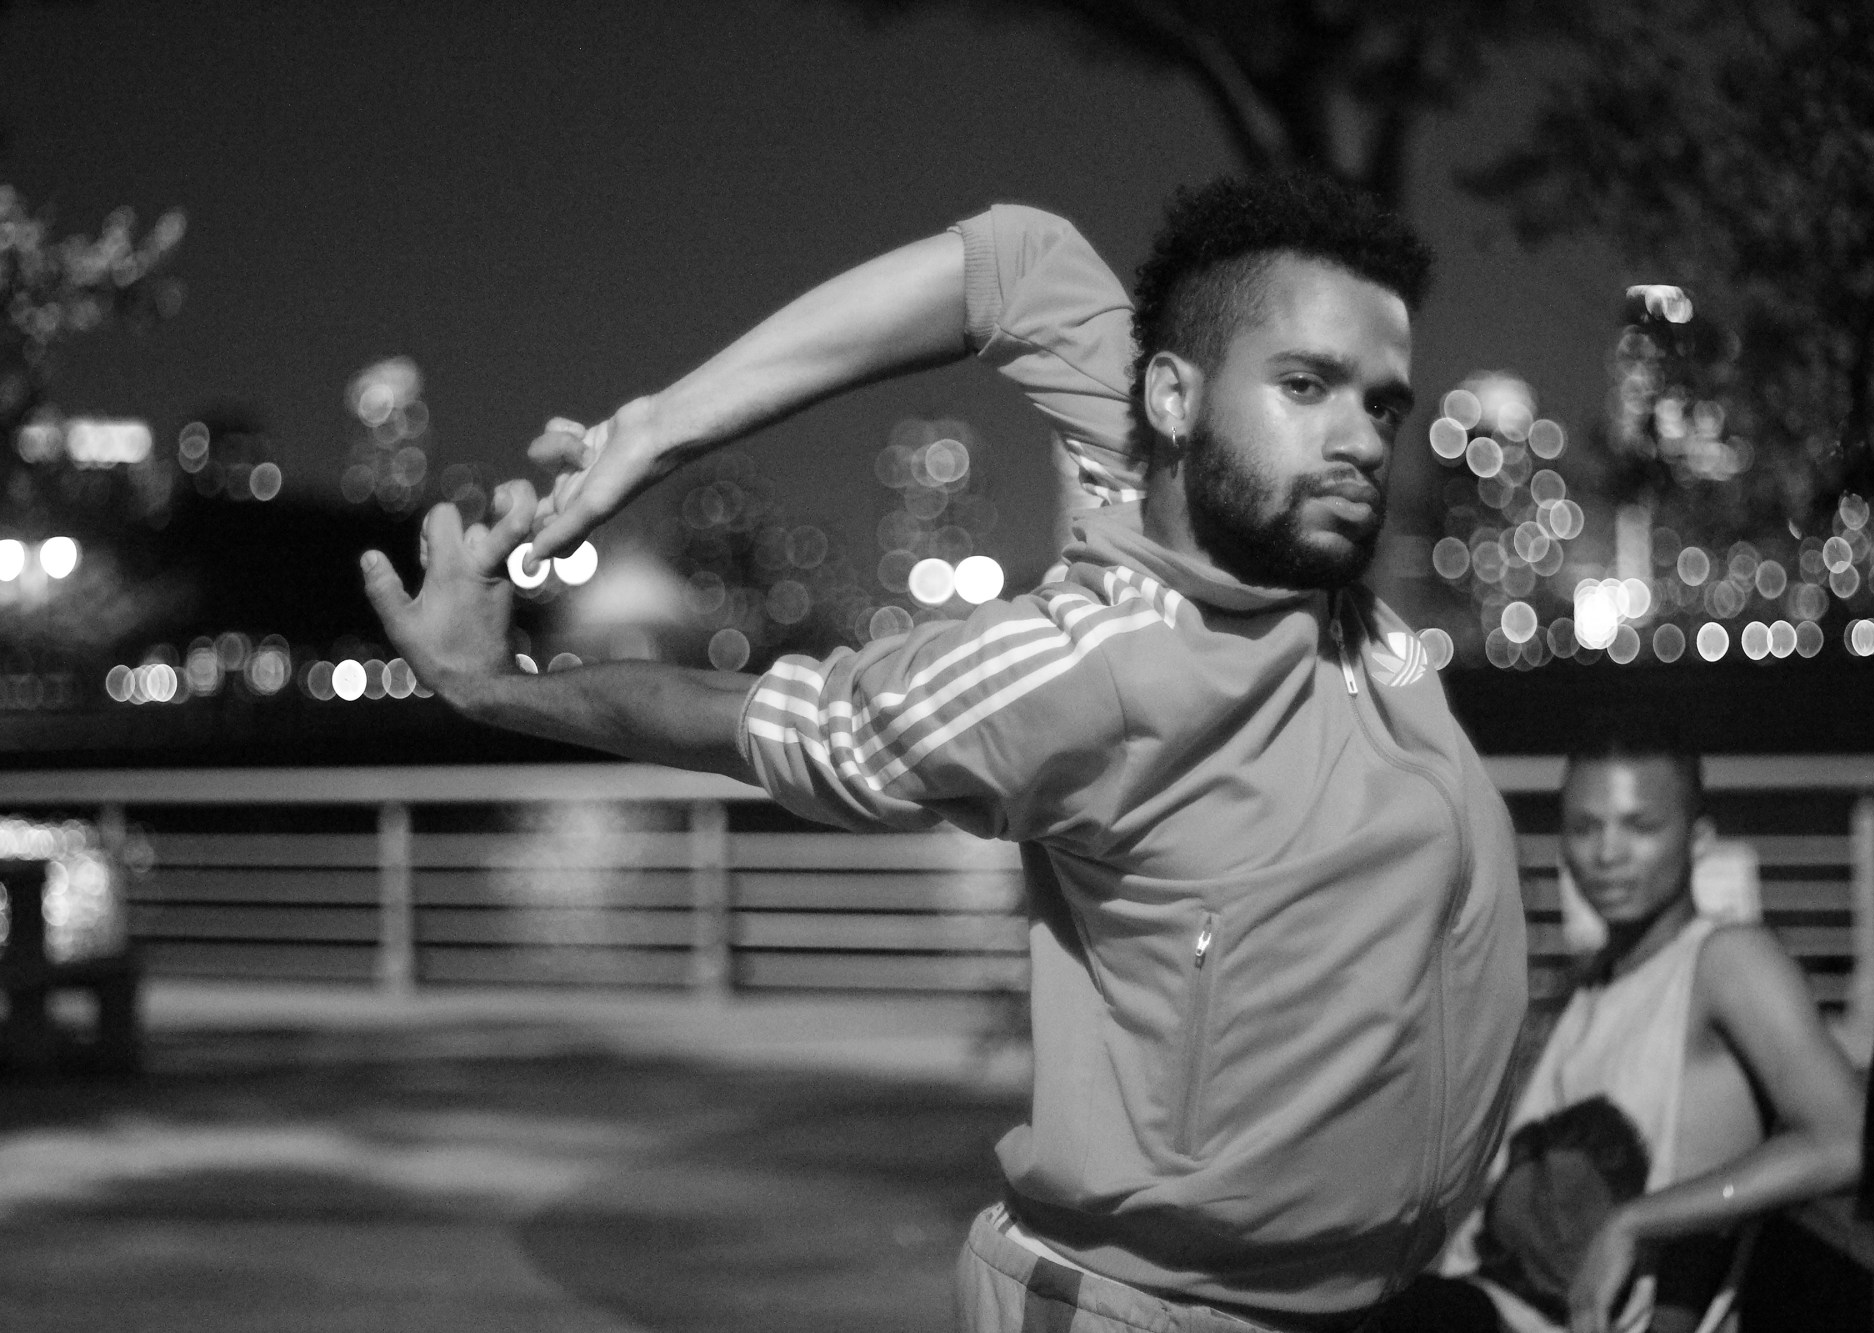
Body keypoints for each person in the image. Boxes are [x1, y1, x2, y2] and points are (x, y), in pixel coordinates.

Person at [362, 172, 1528, 1332]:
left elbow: (1013, 268)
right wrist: (497, 690)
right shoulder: (1088, 671)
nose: (1359, 439)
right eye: (1305, 385)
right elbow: (761, 719)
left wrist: (662, 424)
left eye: (1381, 403)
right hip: (1160, 1310)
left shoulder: (1296, 567)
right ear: (1170, 397)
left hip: (1370, 1298)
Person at [1382, 722, 1863, 1333]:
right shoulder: (1588, 987)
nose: (1608, 854)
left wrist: (1634, 1221)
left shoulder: (1725, 961)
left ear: (1700, 838)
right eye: (1585, 828)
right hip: (1472, 1301)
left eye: (1641, 827)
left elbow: (1846, 1137)